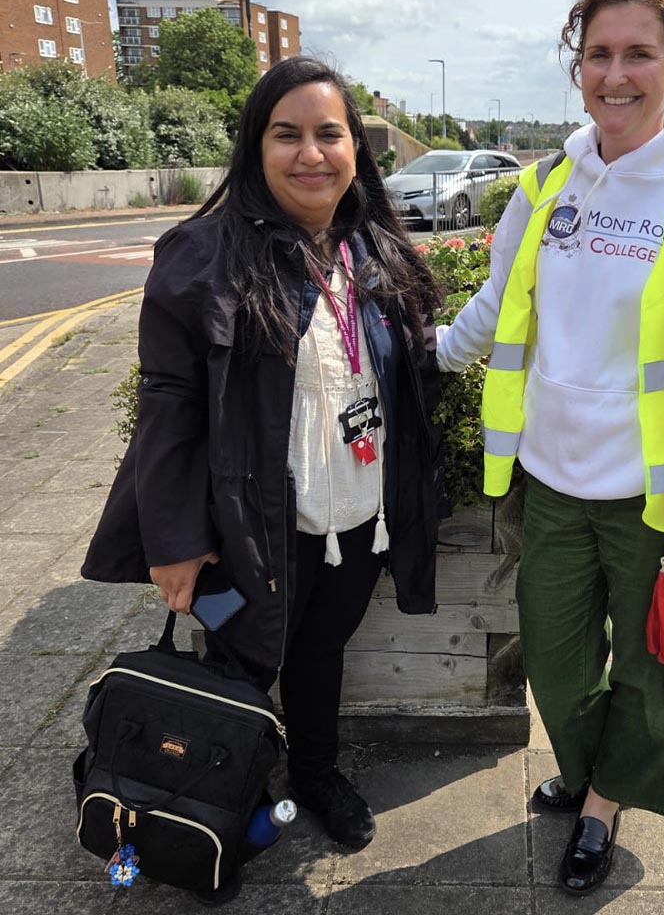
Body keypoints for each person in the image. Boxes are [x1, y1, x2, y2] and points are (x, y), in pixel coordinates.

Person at [437, 0, 664, 895]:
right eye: (597, 54)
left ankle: (603, 802)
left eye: (639, 54)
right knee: (555, 657)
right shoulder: (545, 187)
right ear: (576, 65)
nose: (615, 74)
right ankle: (588, 766)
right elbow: (494, 313)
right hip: (548, 484)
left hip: (654, 500)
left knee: (655, 672)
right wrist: (400, 351)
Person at [82, 57, 444, 893]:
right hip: (243, 533)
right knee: (237, 662)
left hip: (356, 515)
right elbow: (168, 404)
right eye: (288, 134)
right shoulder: (203, 254)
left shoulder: (373, 249)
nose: (310, 153)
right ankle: (204, 794)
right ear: (256, 146)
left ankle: (314, 774)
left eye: (329, 134)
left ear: (357, 148)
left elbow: (406, 374)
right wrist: (174, 539)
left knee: (321, 653)